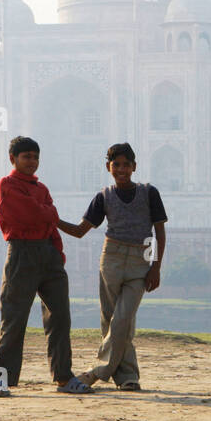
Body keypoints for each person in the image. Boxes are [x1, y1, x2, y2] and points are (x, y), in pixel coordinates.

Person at [59, 143, 167, 391]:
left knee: (122, 318)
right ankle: (128, 376)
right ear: (108, 167)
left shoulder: (149, 193)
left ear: (134, 167)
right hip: (112, 259)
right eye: (116, 164)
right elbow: (79, 231)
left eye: (126, 164)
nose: (121, 169)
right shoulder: (104, 196)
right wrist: (52, 219)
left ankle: (96, 372)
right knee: (112, 320)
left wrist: (155, 266)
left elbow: (159, 232)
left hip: (140, 261)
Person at [0, 136, 90, 397]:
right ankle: (2, 379)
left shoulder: (41, 188)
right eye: (26, 157)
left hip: (48, 254)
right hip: (22, 253)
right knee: (14, 317)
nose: (32, 162)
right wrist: (46, 213)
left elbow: (48, 221)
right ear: (13, 159)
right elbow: (33, 214)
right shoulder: (7, 184)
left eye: (35, 157)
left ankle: (64, 377)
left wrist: (57, 253)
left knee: (60, 317)